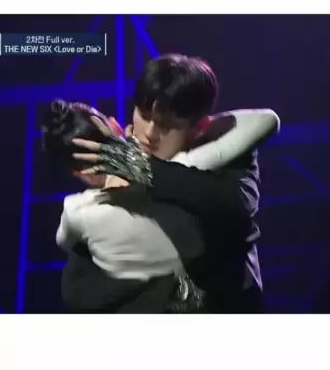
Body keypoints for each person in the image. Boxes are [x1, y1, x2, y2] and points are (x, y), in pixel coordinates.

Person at [54, 54, 280, 312]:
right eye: (143, 115)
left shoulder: (231, 154)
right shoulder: (112, 168)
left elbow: (234, 208)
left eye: (167, 125)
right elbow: (77, 289)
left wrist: (139, 167)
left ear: (200, 126)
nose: (150, 133)